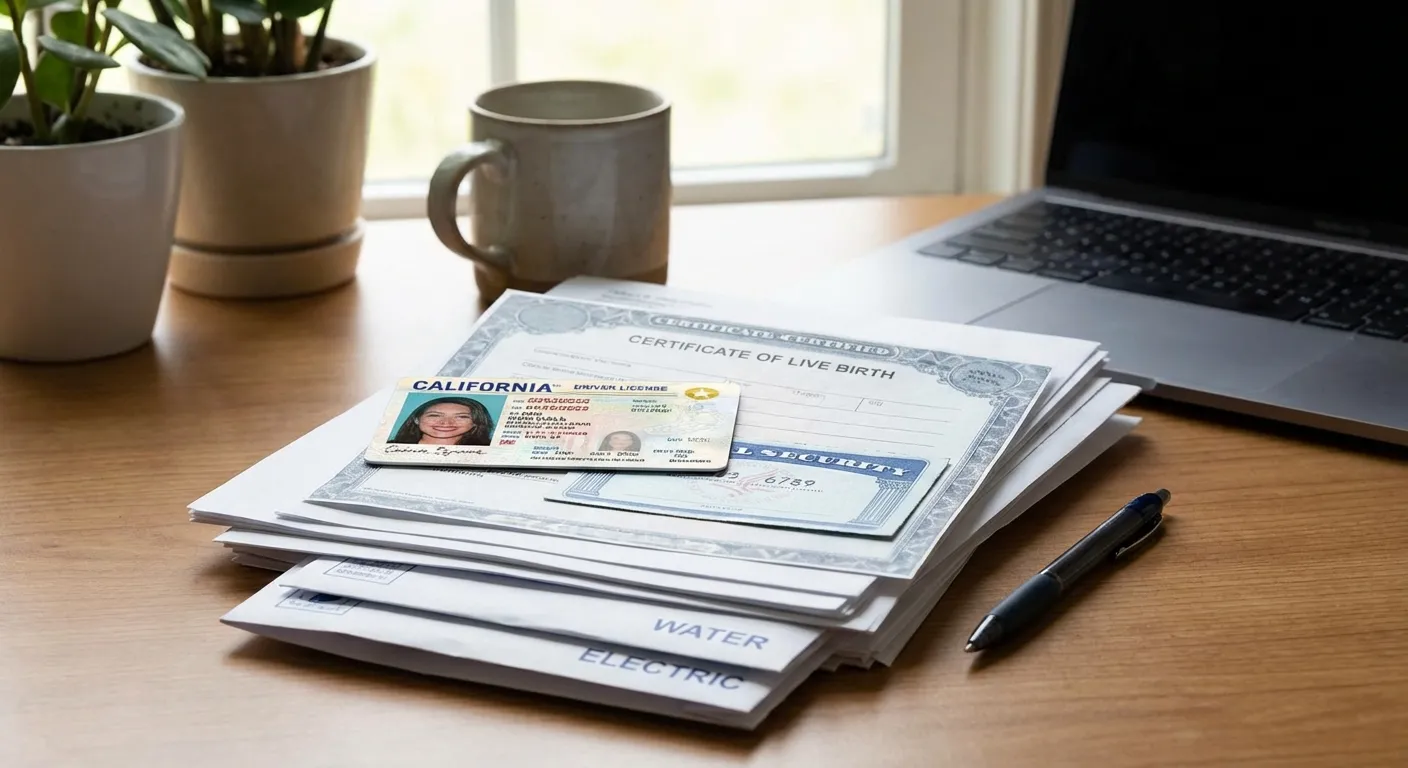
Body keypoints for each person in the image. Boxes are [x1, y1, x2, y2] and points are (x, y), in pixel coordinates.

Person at [390, 397, 494, 446]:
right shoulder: (390, 447)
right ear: (416, 419)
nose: (446, 423)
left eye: (461, 417)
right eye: (434, 415)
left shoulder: (490, 450)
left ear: (475, 422)